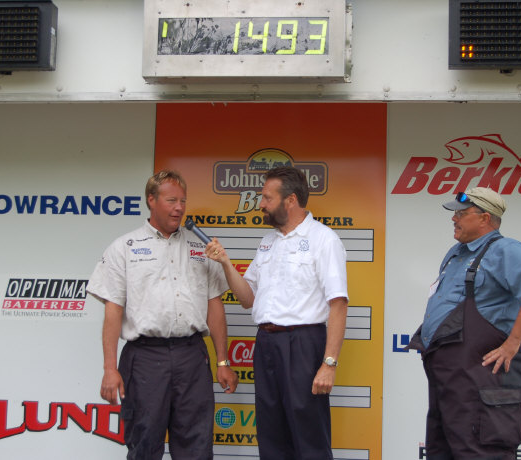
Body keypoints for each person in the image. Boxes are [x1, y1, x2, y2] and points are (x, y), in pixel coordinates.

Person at [86, 170, 238, 460]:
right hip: (144, 358)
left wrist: (222, 361)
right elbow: (113, 310)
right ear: (151, 200)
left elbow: (215, 306)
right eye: (171, 201)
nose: (179, 208)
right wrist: (109, 368)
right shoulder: (124, 248)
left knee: (197, 448)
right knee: (144, 444)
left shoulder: (201, 248)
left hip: (192, 357)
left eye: (183, 201)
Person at [205, 166, 348, 460]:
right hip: (267, 344)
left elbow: (338, 304)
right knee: (271, 434)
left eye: (267, 198)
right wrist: (226, 263)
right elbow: (247, 298)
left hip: (303, 344)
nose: (261, 204)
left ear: (290, 200)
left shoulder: (324, 239)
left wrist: (329, 363)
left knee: (308, 435)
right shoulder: (267, 242)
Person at [408, 187, 521, 460]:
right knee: (442, 450)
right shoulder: (457, 253)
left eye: (461, 213)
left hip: (481, 378)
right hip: (450, 378)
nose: (454, 218)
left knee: (479, 452)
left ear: (485, 218)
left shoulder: (506, 250)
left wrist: (513, 343)